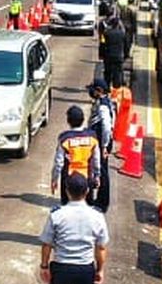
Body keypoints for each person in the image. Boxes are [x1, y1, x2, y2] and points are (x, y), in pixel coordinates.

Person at [51, 105, 101, 206]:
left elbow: (59, 163)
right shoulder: (92, 137)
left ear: (68, 121)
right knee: (88, 206)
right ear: (83, 119)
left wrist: (54, 179)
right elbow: (96, 159)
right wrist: (97, 175)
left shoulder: (64, 138)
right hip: (87, 177)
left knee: (67, 206)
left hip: (69, 179)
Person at [87, 78, 116, 212]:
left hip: (101, 142)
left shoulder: (103, 106)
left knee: (101, 171)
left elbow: (106, 125)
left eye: (94, 89)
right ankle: (97, 200)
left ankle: (102, 202)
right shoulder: (106, 102)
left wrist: (104, 145)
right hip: (102, 141)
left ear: (100, 91)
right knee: (99, 170)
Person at [101, 16, 126, 87]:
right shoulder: (122, 34)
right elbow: (126, 46)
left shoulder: (106, 33)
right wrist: (125, 55)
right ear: (118, 24)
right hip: (119, 56)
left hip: (108, 56)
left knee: (107, 73)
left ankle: (107, 88)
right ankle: (116, 89)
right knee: (118, 73)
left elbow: (102, 44)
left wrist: (101, 54)